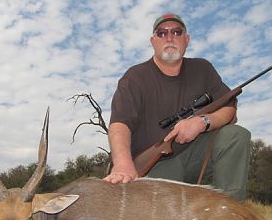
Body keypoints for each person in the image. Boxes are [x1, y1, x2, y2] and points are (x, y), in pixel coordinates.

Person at [104, 13, 251, 201]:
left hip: (194, 156)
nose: (170, 37)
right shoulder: (134, 77)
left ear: (186, 39)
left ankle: (230, 215)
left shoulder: (203, 68)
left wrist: (202, 122)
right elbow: (119, 124)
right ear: (153, 41)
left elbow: (229, 109)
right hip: (155, 165)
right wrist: (123, 165)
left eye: (176, 32)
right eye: (162, 33)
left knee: (236, 136)